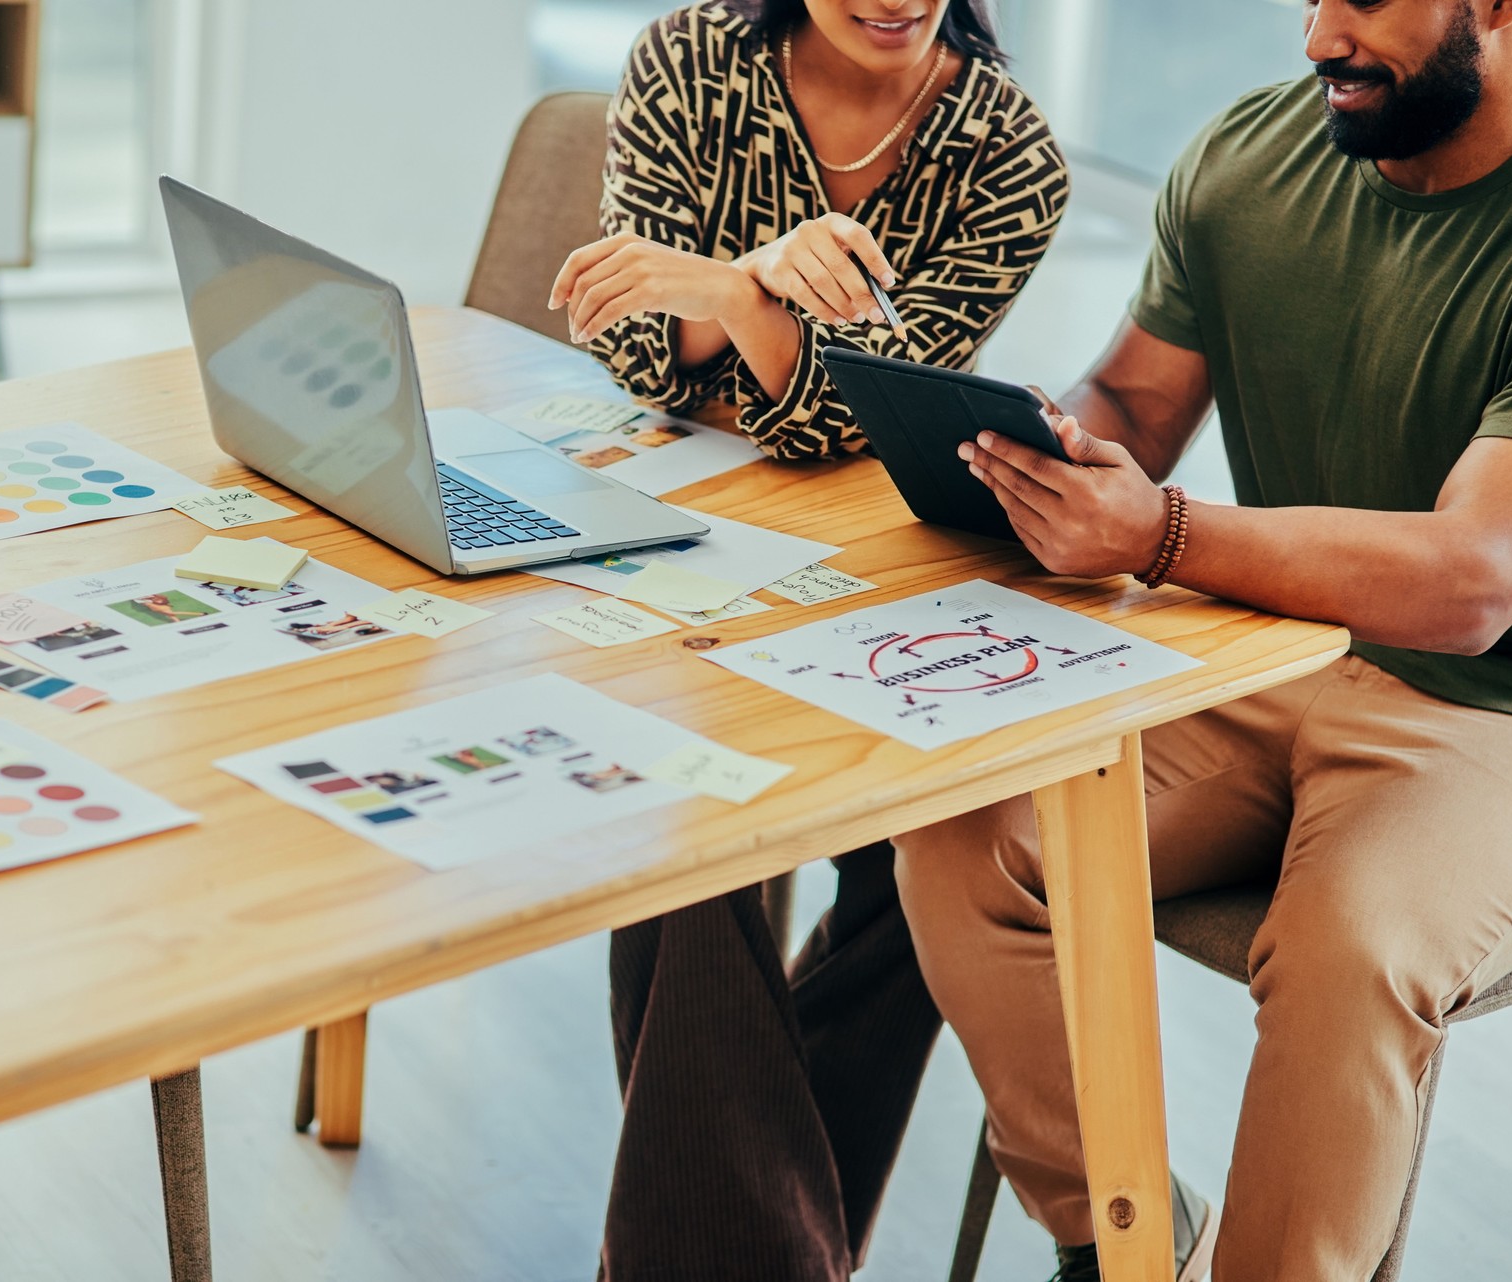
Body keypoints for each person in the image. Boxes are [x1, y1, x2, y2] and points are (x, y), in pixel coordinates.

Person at [893, 1, 1512, 1279]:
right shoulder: (1248, 161)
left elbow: (1473, 582)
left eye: (1365, 1)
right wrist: (1042, 448)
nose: (1320, 35)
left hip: (1510, 711)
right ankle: (1124, 1240)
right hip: (1265, 652)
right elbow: (1137, 403)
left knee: (1349, 953)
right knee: (963, 830)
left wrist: (1157, 536)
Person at [546, 3, 1069, 1278]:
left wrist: (727, 291)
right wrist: (760, 290)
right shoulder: (690, 58)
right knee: (691, 804)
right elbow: (627, 347)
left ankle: (727, 1248)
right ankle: (770, 1253)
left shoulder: (1009, 154)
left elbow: (859, 415)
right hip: (673, 536)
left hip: (893, 561)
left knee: (954, 846)